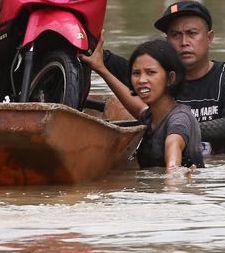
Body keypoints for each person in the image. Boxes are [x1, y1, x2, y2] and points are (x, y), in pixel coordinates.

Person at [103, 1, 225, 154]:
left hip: (223, 173)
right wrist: (99, 59)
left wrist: (174, 127)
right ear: (167, 42)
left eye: (192, 33)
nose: (184, 42)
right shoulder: (158, 79)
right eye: (175, 35)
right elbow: (121, 68)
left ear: (209, 37)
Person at [84, 40, 203, 179]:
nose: (141, 80)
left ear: (170, 78)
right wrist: (101, 69)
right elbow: (135, 105)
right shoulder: (151, 116)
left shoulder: (179, 119)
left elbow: (173, 149)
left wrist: (174, 173)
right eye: (136, 73)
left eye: (150, 72)